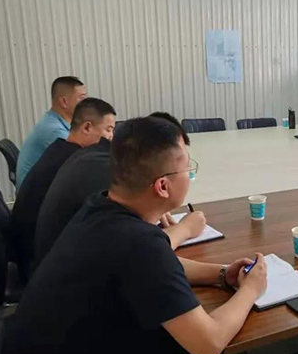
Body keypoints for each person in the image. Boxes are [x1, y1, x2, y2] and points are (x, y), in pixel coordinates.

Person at [0, 116, 268, 354]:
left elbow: (158, 267)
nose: (190, 174)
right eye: (188, 168)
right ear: (162, 186)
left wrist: (222, 273)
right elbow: (209, 342)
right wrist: (251, 289)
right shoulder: (139, 243)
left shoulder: (101, 206)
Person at [34, 112, 202, 272]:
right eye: (187, 166)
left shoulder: (97, 165)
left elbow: (147, 260)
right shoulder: (104, 175)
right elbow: (144, 253)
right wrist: (185, 228)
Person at [10, 98, 116, 284]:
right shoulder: (79, 161)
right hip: (40, 266)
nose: (111, 137)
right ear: (87, 127)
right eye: (108, 130)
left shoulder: (60, 149)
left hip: (28, 253)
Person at [16, 76, 87, 188]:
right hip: (37, 194)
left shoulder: (55, 121)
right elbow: (80, 160)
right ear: (64, 102)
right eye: (82, 98)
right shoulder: (54, 131)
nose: (86, 104)